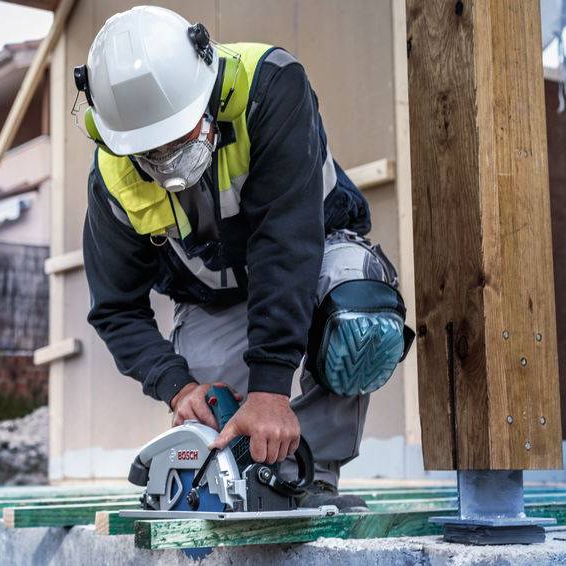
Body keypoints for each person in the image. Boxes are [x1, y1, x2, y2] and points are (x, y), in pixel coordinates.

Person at [75, 6, 414, 510]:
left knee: (358, 315)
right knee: (214, 413)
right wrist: (178, 387)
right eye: (151, 151)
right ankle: (246, 479)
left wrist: (270, 389)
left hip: (314, 265)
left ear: (207, 92)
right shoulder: (112, 181)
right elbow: (115, 308)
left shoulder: (271, 88)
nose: (169, 160)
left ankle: (312, 479)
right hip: (214, 303)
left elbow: (287, 245)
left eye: (180, 136)